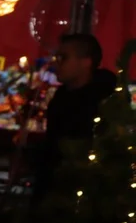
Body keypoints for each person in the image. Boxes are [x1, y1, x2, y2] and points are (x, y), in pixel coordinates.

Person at [36, 33, 117, 202]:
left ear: (86, 62)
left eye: (63, 57)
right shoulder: (62, 96)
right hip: (54, 189)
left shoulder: (104, 101)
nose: (56, 63)